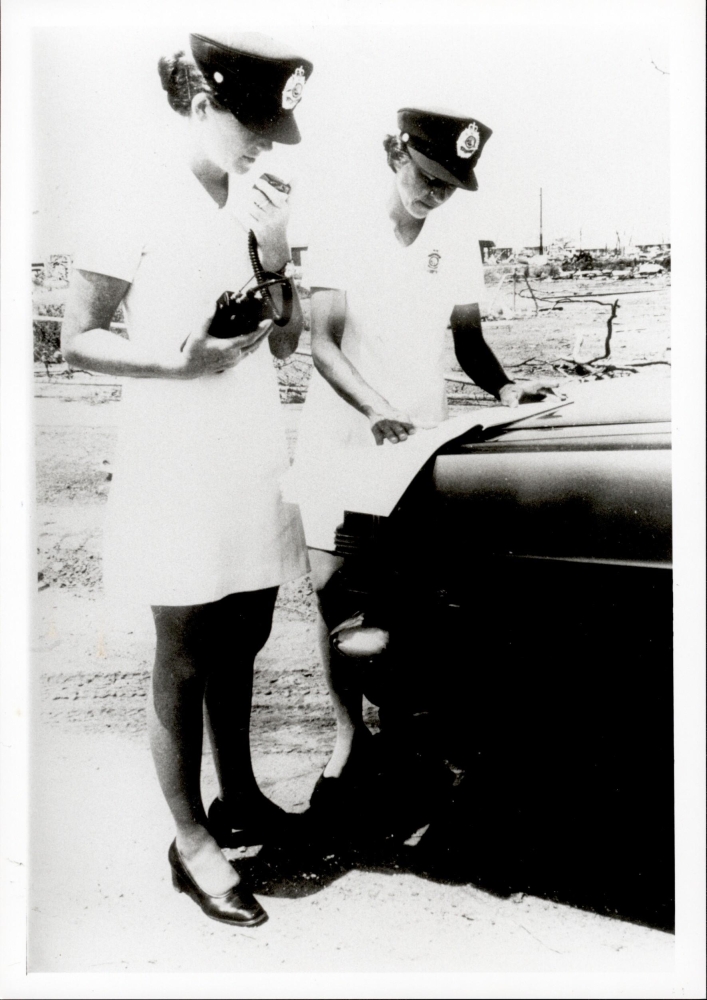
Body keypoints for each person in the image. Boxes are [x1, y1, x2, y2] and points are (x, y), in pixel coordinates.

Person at [61, 32, 313, 926]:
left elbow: (285, 339)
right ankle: (190, 841)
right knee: (183, 647)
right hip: (172, 440)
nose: (268, 143)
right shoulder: (131, 190)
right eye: (254, 124)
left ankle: (238, 797)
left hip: (246, 439)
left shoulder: (257, 197)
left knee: (244, 622)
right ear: (204, 105)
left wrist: (275, 248)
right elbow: (77, 336)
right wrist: (180, 362)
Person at [291, 107, 557, 802]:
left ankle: (406, 741)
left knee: (406, 598)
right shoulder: (344, 227)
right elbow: (321, 343)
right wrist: (375, 407)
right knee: (333, 596)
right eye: (426, 176)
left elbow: (468, 342)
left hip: (416, 444)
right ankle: (348, 740)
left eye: (447, 185)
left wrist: (504, 388)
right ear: (395, 154)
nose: (433, 194)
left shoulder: (457, 238)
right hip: (346, 436)